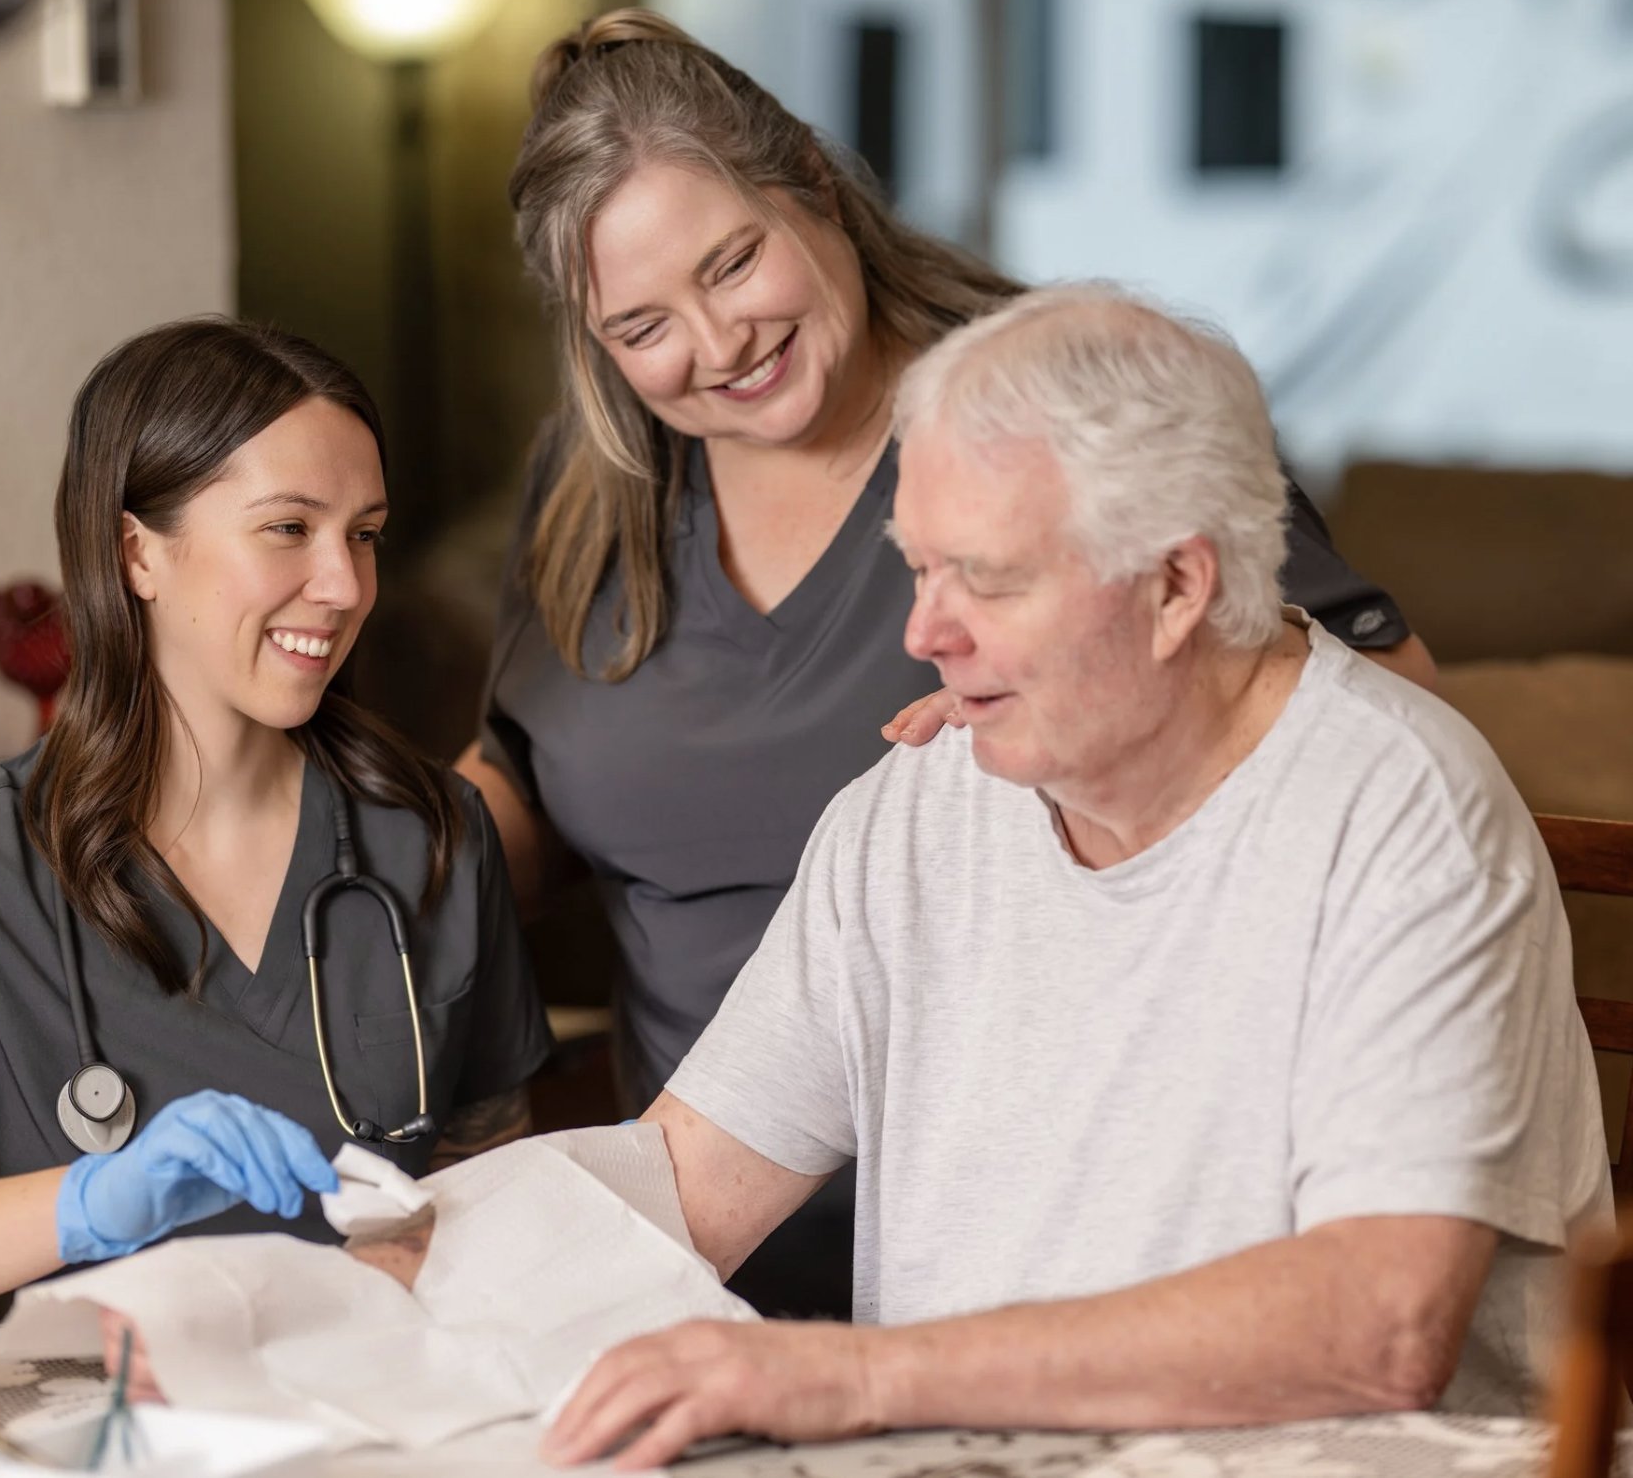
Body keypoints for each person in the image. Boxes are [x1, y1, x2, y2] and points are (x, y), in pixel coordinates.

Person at [457, 9, 1438, 1319]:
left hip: (1056, 1275)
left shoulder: (1059, 405)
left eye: (734, 261)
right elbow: (522, 793)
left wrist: (1100, 708)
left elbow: (1392, 725)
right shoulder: (594, 485)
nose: (718, 341)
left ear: (809, 176)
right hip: (695, 1260)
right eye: (642, 325)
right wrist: (295, 844)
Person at [538, 287, 1612, 1470]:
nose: (924, 635)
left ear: (1176, 588)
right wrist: (389, 1253)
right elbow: (683, 1179)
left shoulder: (1405, 814)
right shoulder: (918, 807)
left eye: (987, 581)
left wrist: (851, 1375)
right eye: (920, 569)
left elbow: (1382, 1324)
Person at [0, 319, 552, 1334]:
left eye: (365, 533)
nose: (346, 587)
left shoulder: (433, 836)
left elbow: (498, 1187)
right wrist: (84, 1206)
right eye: (289, 528)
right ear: (138, 553)